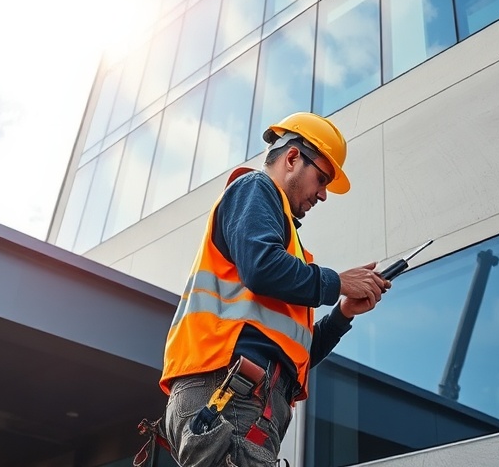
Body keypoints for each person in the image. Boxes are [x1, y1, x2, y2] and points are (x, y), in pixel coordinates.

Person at [159, 112, 390, 467]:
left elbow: (295, 357)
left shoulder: (285, 242)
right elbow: (261, 268)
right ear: (293, 158)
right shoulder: (256, 188)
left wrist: (342, 314)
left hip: (241, 402)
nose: (324, 195)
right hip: (228, 396)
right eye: (322, 178)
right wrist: (337, 281)